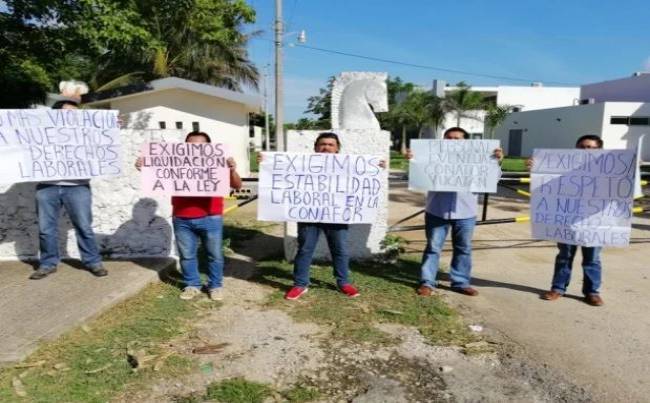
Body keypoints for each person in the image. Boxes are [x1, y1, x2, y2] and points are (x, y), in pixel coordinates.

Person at [258, 132, 386, 300]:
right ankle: (300, 284)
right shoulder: (301, 165)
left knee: (340, 249)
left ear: (337, 149)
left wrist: (376, 166)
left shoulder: (348, 165)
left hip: (337, 216)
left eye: (330, 145)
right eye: (322, 144)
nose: (326, 147)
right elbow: (281, 174)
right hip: (308, 215)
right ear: (315, 147)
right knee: (304, 249)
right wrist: (267, 163)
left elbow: (363, 177)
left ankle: (343, 282)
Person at [137, 131, 242, 301]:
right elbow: (157, 175)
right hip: (181, 216)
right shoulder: (175, 162)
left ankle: (215, 286)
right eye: (190, 146)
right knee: (187, 255)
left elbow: (237, 185)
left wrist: (232, 170)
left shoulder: (218, 162)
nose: (195, 150)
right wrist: (145, 166)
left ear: (209, 148)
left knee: (214, 254)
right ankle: (192, 284)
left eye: (200, 147)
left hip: (211, 216)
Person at [406, 127, 503, 297]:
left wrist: (495, 161)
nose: (452, 141)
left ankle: (460, 282)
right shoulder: (432, 156)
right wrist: (413, 160)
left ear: (465, 141)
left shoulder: (478, 159)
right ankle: (427, 282)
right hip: (437, 211)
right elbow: (418, 176)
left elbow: (492, 179)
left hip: (466, 212)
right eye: (448, 138)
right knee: (433, 248)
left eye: (457, 138)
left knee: (463, 248)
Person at [30, 81, 108, 280]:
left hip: (78, 186)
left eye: (73, 113)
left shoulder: (87, 133)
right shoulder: (41, 133)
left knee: (84, 226)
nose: (69, 117)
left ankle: (93, 262)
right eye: (65, 112)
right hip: (47, 186)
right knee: (46, 229)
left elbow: (105, 142)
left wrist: (111, 128)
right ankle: (48, 263)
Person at [530, 134, 605, 306]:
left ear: (600, 150)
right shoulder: (564, 166)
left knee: (592, 259)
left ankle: (592, 292)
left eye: (591, 148)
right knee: (565, 256)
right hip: (567, 219)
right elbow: (546, 183)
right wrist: (536, 168)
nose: (586, 150)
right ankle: (557, 288)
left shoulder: (611, 168)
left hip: (594, 222)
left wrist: (632, 171)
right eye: (582, 147)